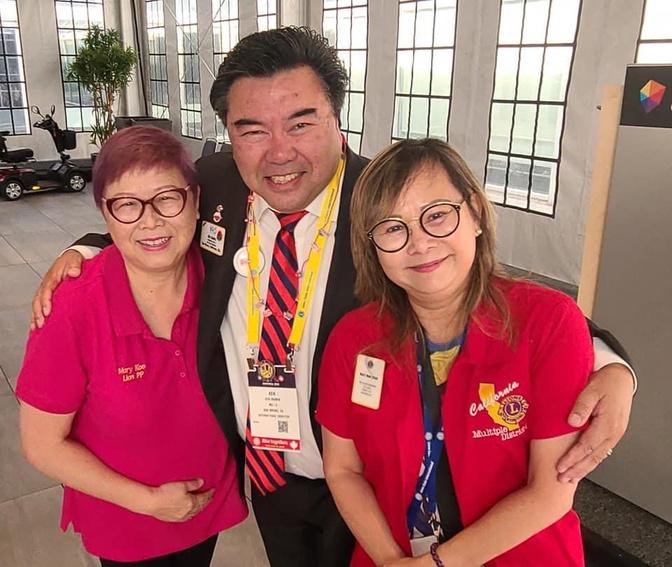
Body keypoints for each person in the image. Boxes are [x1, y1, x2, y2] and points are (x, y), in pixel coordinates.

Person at [29, 27, 634, 567]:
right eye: (251, 130)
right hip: (269, 477)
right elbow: (147, 218)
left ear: (338, 120)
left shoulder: (385, 200)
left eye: (301, 123)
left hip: (372, 482)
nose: (279, 152)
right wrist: (83, 249)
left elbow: (480, 286)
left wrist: (611, 364)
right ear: (229, 135)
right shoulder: (213, 186)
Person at [318, 138, 595, 566]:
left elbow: (550, 490)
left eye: (437, 215)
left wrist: (438, 564)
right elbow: (342, 470)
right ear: (371, 245)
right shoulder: (354, 339)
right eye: (392, 228)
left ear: (476, 214)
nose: (419, 243)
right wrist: (392, 562)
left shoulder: (547, 322)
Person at [16, 126, 247, 566]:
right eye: (126, 205)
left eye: (167, 198)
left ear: (195, 200)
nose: (151, 221)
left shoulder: (221, 278)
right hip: (128, 522)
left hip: (208, 505)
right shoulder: (72, 308)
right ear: (105, 213)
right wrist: (148, 502)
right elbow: (42, 445)